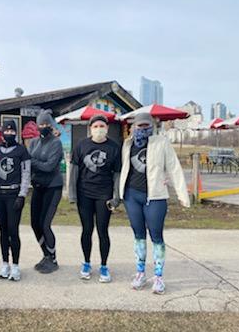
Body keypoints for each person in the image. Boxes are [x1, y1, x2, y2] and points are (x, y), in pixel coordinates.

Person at [120, 112, 190, 294]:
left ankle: (158, 277)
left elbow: (174, 168)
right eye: (139, 125)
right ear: (133, 127)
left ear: (151, 126)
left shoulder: (161, 142)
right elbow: (123, 170)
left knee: (156, 236)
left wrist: (182, 194)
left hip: (155, 197)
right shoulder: (127, 144)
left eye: (146, 125)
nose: (143, 128)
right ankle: (140, 273)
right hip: (131, 196)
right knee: (138, 235)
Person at [69, 114, 121, 283]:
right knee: (86, 229)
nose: (99, 129)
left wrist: (116, 197)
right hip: (85, 194)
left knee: (102, 230)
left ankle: (104, 266)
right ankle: (86, 263)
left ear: (106, 128)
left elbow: (117, 175)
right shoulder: (81, 145)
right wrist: (72, 194)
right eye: (95, 126)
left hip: (104, 195)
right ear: (90, 128)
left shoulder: (114, 147)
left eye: (102, 126)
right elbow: (74, 171)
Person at [0, 120, 31, 281]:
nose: (9, 134)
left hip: (14, 195)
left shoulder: (22, 151)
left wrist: (22, 194)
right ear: (2, 132)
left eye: (13, 131)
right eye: (7, 131)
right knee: (3, 231)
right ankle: (5, 262)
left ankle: (16, 265)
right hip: (0, 195)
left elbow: (26, 173)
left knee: (13, 230)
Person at [28, 109, 64, 274]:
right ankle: (46, 254)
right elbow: (28, 164)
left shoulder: (56, 143)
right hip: (38, 187)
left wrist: (32, 161)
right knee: (35, 224)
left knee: (45, 223)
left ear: (51, 125)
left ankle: (53, 258)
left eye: (46, 124)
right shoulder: (33, 142)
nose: (43, 126)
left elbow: (49, 166)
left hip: (53, 187)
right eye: (40, 124)